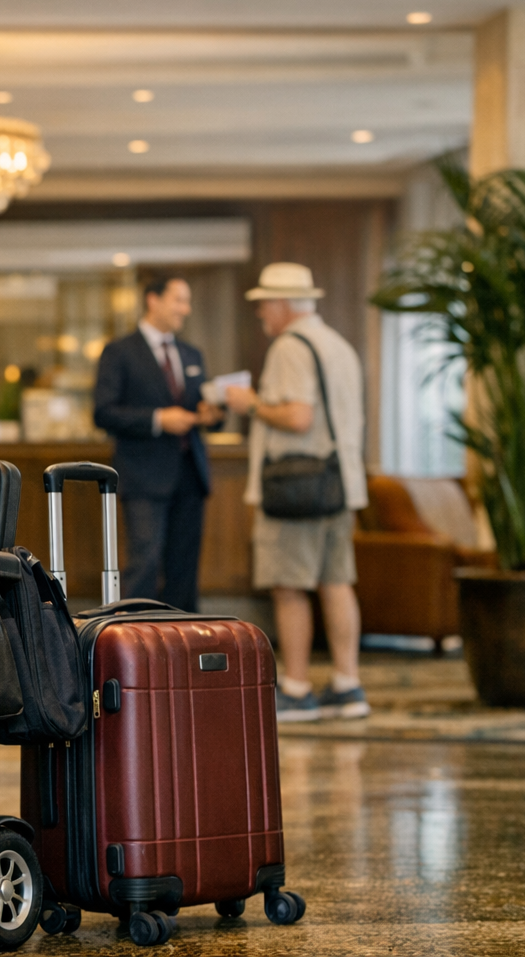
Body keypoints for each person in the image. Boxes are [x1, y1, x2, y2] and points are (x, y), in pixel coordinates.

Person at [224, 262, 370, 723]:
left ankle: (297, 688)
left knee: (289, 587)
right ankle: (347, 685)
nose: (261, 313)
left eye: (264, 304)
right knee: (337, 582)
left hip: (296, 489)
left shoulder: (289, 346)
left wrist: (251, 404)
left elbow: (298, 416)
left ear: (283, 304)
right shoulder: (338, 345)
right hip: (340, 484)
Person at [93, 276, 221, 612]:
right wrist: (158, 419)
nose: (186, 309)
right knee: (145, 563)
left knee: (184, 568)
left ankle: (182, 639)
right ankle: (135, 636)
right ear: (153, 299)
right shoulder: (120, 352)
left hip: (190, 475)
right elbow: (103, 413)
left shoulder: (191, 353)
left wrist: (212, 414)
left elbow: (204, 407)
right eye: (179, 300)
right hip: (144, 476)